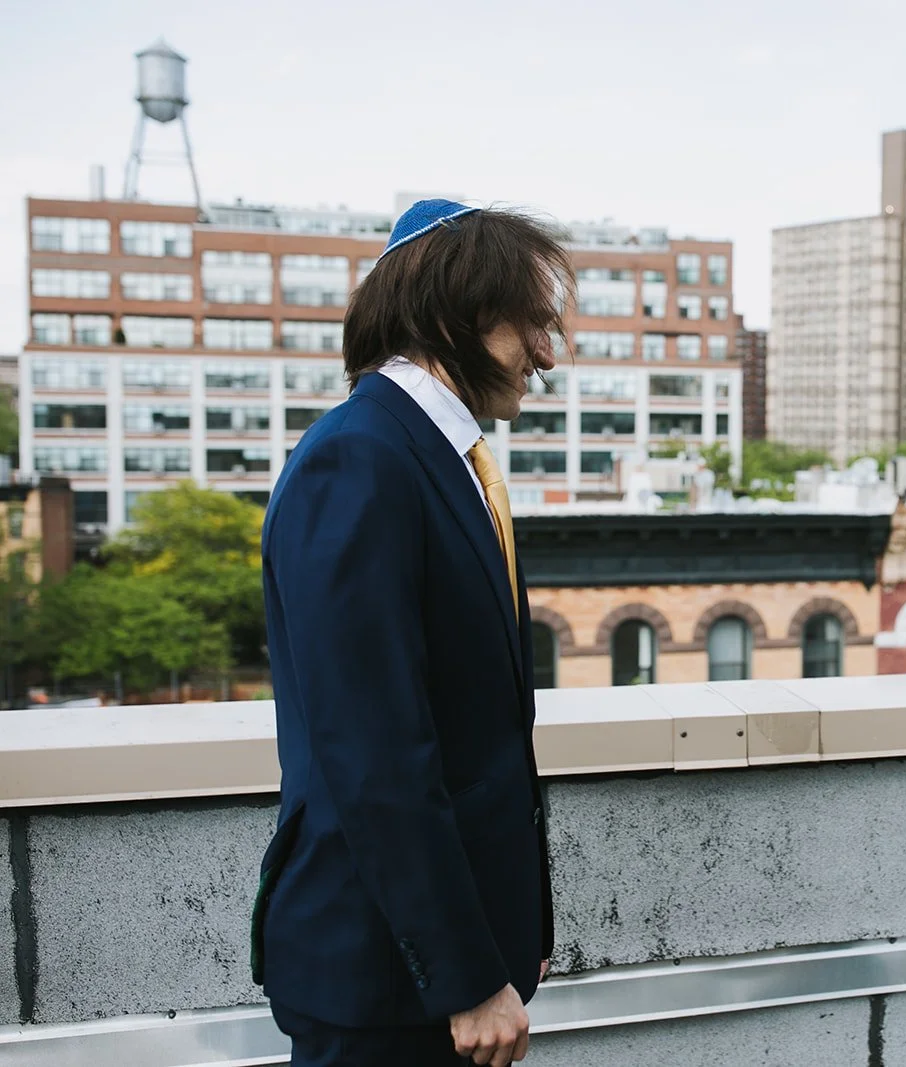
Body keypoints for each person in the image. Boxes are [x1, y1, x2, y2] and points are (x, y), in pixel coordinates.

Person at [252, 199, 571, 1067]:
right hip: (383, 983)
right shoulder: (357, 458)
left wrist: (512, 930)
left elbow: (475, 732)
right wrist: (467, 974)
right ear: (456, 312)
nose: (545, 356)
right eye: (532, 325)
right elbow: (375, 750)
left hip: (434, 975)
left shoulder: (433, 456)